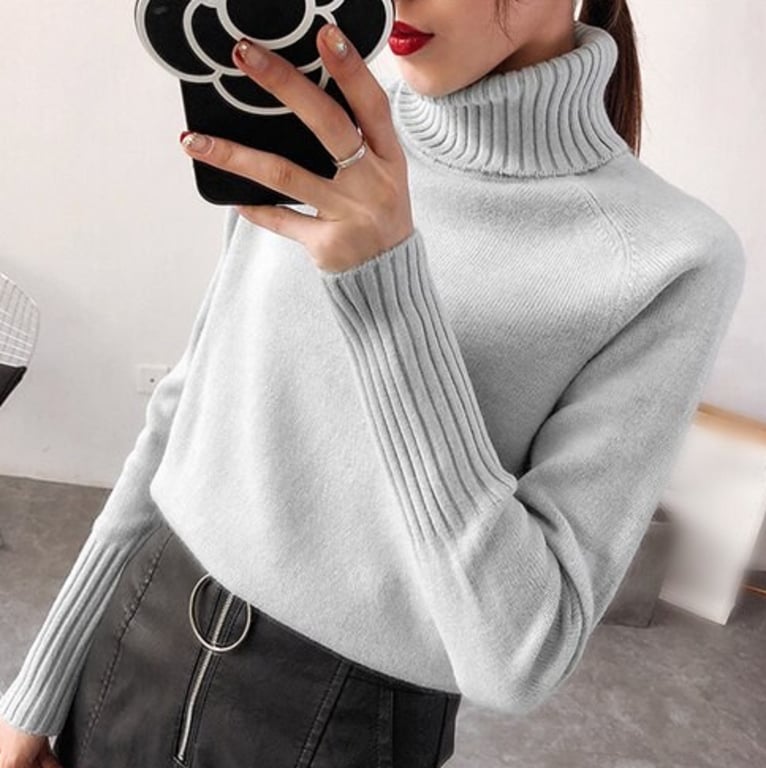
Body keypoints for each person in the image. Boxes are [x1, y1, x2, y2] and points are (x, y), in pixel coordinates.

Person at [0, 0, 746, 765]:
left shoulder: (669, 259)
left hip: (342, 726)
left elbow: (521, 657)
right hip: (134, 638)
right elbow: (182, 412)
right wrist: (36, 686)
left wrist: (387, 287)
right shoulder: (317, 122)